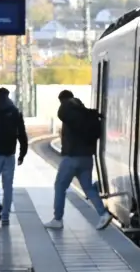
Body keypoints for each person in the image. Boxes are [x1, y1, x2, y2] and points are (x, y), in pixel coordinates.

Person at [46, 90, 113, 231]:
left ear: (63, 100)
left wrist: (66, 102)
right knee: (88, 188)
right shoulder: (88, 114)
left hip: (71, 158)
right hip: (87, 158)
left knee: (60, 186)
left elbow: (61, 113)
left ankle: (57, 219)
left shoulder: (68, 111)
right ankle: (103, 214)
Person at [0, 87, 29, 227]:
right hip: (10, 153)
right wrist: (22, 153)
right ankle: (5, 217)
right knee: (8, 186)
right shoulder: (15, 112)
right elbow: (22, 134)